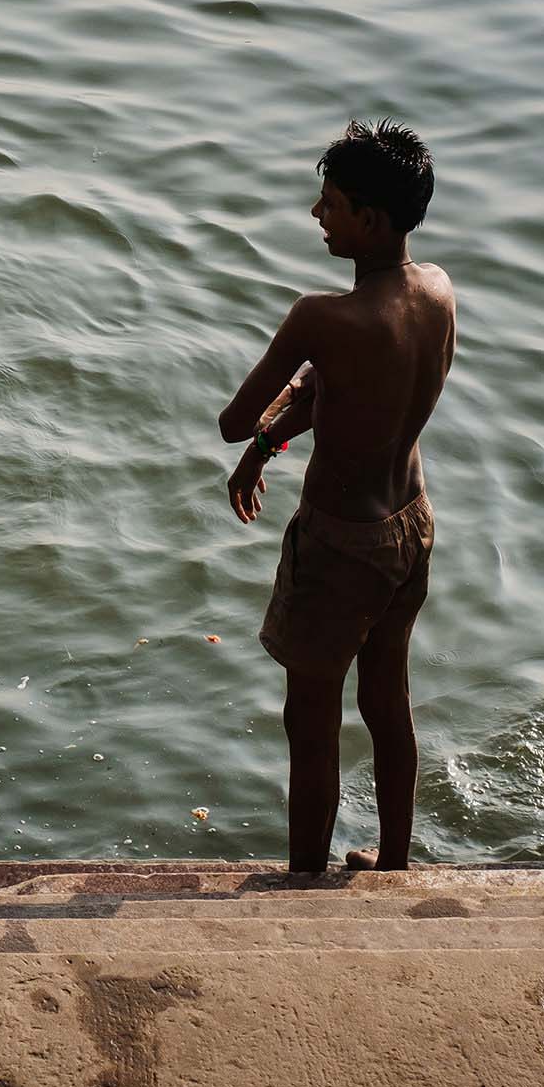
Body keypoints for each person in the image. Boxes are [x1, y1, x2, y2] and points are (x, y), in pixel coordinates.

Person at [218, 119, 454, 874]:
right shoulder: (437, 292)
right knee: (389, 701)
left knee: (310, 723)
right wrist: (275, 440)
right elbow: (352, 392)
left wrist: (260, 432)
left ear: (370, 219)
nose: (317, 216)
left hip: (340, 541)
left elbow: (231, 421)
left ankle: (304, 877)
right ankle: (392, 863)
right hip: (410, 523)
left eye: (330, 204)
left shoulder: (323, 317)